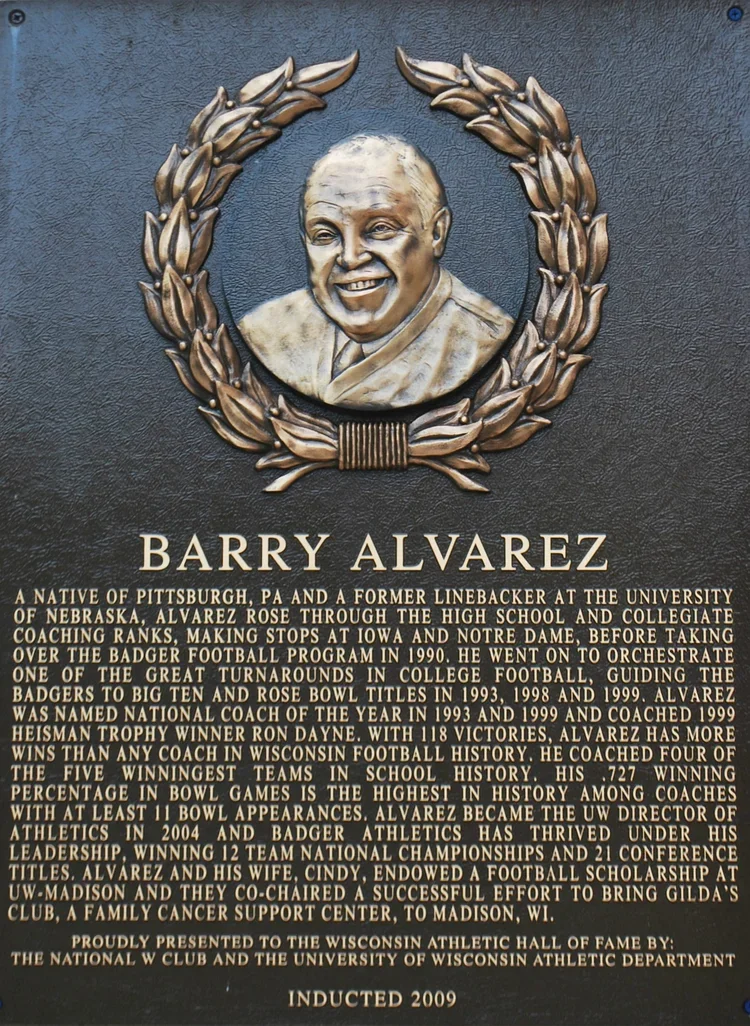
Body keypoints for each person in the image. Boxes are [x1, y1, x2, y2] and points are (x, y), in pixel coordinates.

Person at [237, 134, 513, 410]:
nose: (350, 257)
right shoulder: (265, 333)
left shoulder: (484, 340)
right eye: (325, 234)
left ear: (437, 232)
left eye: (380, 228)